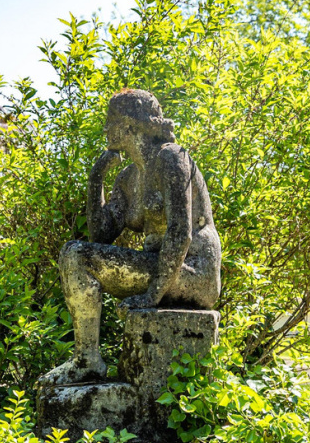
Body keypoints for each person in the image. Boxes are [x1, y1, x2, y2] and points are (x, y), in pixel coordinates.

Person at [39, 89, 221, 386]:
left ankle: (87, 360)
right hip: (159, 267)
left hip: (193, 272)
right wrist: (96, 178)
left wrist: (152, 296)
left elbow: (180, 233)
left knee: (76, 255)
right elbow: (101, 235)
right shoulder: (128, 177)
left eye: (110, 121)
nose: (105, 129)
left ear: (130, 125)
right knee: (75, 254)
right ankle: (87, 359)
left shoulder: (171, 158)